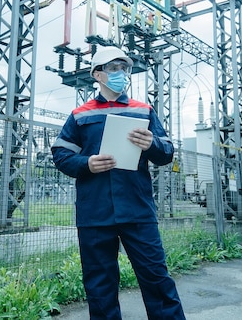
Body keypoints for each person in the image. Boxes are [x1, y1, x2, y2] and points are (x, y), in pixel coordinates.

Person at [51, 45, 186, 320]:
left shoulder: (143, 111)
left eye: (124, 68)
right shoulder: (80, 114)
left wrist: (152, 144)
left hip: (137, 209)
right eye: (114, 68)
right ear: (98, 75)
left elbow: (167, 152)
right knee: (100, 285)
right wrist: (86, 164)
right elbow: (61, 155)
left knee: (157, 278)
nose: (121, 73)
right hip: (95, 213)